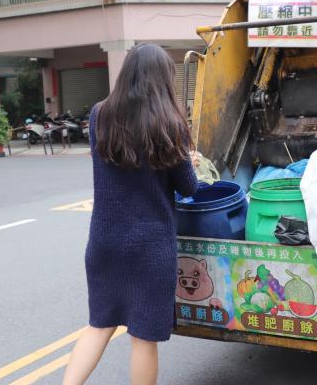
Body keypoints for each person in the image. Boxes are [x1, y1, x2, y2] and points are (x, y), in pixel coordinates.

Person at [63, 44, 198, 385]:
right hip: (150, 247)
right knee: (143, 338)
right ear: (163, 79)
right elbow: (189, 188)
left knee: (99, 325)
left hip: (104, 242)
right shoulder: (170, 122)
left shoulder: (99, 115)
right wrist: (189, 161)